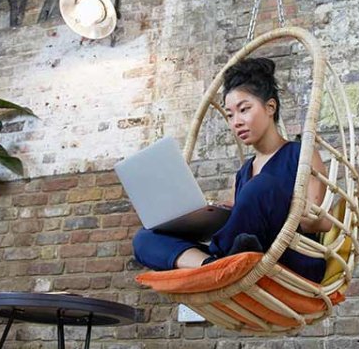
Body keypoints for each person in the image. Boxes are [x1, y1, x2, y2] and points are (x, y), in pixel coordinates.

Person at [132, 58, 332, 283]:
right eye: (230, 115)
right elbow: (243, 226)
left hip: (290, 258)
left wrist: (298, 210)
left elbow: (323, 223)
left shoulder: (301, 154)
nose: (236, 122)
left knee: (261, 187)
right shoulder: (244, 172)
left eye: (244, 109)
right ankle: (212, 266)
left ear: (270, 107)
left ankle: (222, 259)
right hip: (240, 257)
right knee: (144, 239)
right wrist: (219, 213)